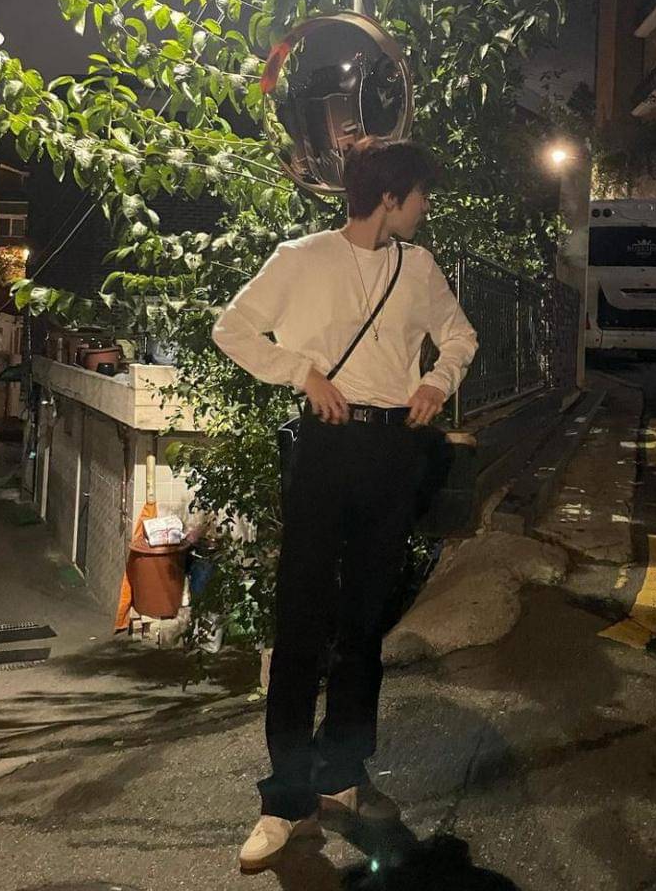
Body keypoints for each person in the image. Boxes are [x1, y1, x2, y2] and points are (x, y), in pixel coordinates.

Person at [212, 137, 478, 873]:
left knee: (364, 621)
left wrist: (437, 381)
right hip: (324, 448)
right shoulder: (301, 259)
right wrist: (303, 373)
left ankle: (342, 771)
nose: (425, 207)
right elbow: (231, 329)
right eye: (419, 194)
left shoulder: (417, 266)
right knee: (301, 619)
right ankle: (284, 801)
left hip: (393, 449)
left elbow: (459, 335)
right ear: (389, 198)